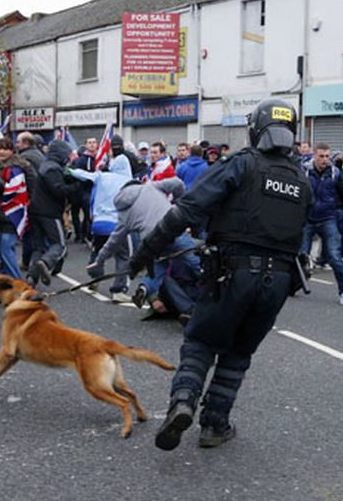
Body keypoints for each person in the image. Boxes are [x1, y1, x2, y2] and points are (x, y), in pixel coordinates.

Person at [129, 98, 312, 450]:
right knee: (238, 354)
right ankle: (215, 425)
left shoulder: (242, 164)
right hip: (277, 283)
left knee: (200, 342)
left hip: (232, 274)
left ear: (256, 129)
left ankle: (183, 402)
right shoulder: (300, 180)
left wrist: (143, 254)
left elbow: (185, 210)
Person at [90, 174, 190, 307]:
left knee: (158, 267)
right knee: (192, 256)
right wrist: (178, 201)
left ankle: (145, 288)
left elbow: (113, 241)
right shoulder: (151, 186)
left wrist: (99, 260)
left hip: (150, 240)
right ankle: (205, 287)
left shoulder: (123, 213)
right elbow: (178, 182)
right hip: (170, 226)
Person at [69, 154, 133, 302]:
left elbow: (84, 174)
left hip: (99, 222)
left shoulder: (102, 176)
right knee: (123, 256)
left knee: (98, 251)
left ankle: (94, 278)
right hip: (118, 224)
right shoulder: (129, 182)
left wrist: (68, 170)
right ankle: (118, 290)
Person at [301, 142, 343, 305]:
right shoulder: (304, 171)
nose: (325, 160)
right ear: (314, 155)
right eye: (321, 156)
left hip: (327, 218)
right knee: (300, 255)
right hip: (307, 219)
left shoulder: (334, 173)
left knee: (334, 256)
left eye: (327, 156)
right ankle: (293, 285)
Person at [27, 139, 80, 286]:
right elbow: (58, 190)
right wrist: (78, 185)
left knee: (39, 247)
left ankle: (32, 278)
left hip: (36, 210)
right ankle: (46, 262)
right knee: (59, 245)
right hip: (49, 212)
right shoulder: (52, 168)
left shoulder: (46, 165)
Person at [0, 137, 34, 279]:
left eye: (5, 148)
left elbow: (15, 191)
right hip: (2, 211)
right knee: (4, 249)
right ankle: (7, 279)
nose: (1, 152)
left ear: (12, 150)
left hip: (12, 211)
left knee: (6, 248)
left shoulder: (15, 168)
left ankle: (17, 281)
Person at [69, 137, 97, 243]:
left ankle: (86, 233)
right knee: (79, 213)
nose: (92, 145)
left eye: (94, 142)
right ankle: (80, 234)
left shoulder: (99, 158)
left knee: (87, 214)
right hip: (81, 191)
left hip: (92, 190)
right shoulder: (81, 160)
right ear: (86, 145)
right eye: (90, 143)